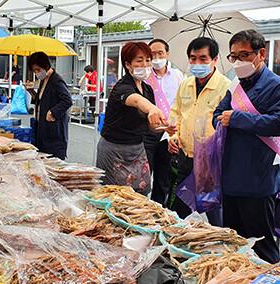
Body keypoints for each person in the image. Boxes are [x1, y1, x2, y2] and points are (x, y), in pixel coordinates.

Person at [212, 30, 280, 264]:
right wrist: (223, 118)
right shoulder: (235, 86)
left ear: (261, 54)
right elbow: (219, 114)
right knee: (233, 243)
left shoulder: (277, 86)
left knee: (261, 245)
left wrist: (238, 119)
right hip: (230, 177)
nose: (238, 62)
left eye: (244, 55)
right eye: (234, 56)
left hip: (258, 180)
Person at [97, 41, 176, 195]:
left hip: (137, 149)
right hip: (115, 151)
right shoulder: (122, 87)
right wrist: (152, 108)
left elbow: (151, 125)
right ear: (128, 64)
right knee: (115, 197)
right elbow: (136, 100)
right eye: (139, 61)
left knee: (140, 194)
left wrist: (163, 127)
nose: (145, 65)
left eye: (148, 60)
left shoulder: (147, 89)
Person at [168, 37, 230, 224]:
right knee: (179, 212)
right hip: (185, 158)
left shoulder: (226, 87)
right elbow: (176, 114)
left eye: (203, 59)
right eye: (193, 58)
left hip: (211, 163)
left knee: (214, 212)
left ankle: (220, 247)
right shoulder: (185, 84)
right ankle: (176, 246)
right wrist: (174, 135)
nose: (197, 63)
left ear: (215, 60)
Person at [143, 39, 184, 205]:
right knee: (144, 175)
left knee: (164, 176)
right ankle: (142, 209)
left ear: (168, 54)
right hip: (148, 132)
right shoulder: (144, 76)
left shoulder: (177, 75)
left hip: (169, 133)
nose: (157, 57)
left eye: (160, 53)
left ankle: (159, 209)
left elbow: (182, 103)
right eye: (153, 54)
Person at [25, 52, 72, 160]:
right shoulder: (43, 80)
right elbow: (42, 100)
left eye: (38, 69)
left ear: (45, 66)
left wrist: (52, 112)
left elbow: (67, 100)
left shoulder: (56, 80)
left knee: (52, 164)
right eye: (34, 70)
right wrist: (31, 92)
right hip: (41, 129)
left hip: (53, 134)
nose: (37, 73)